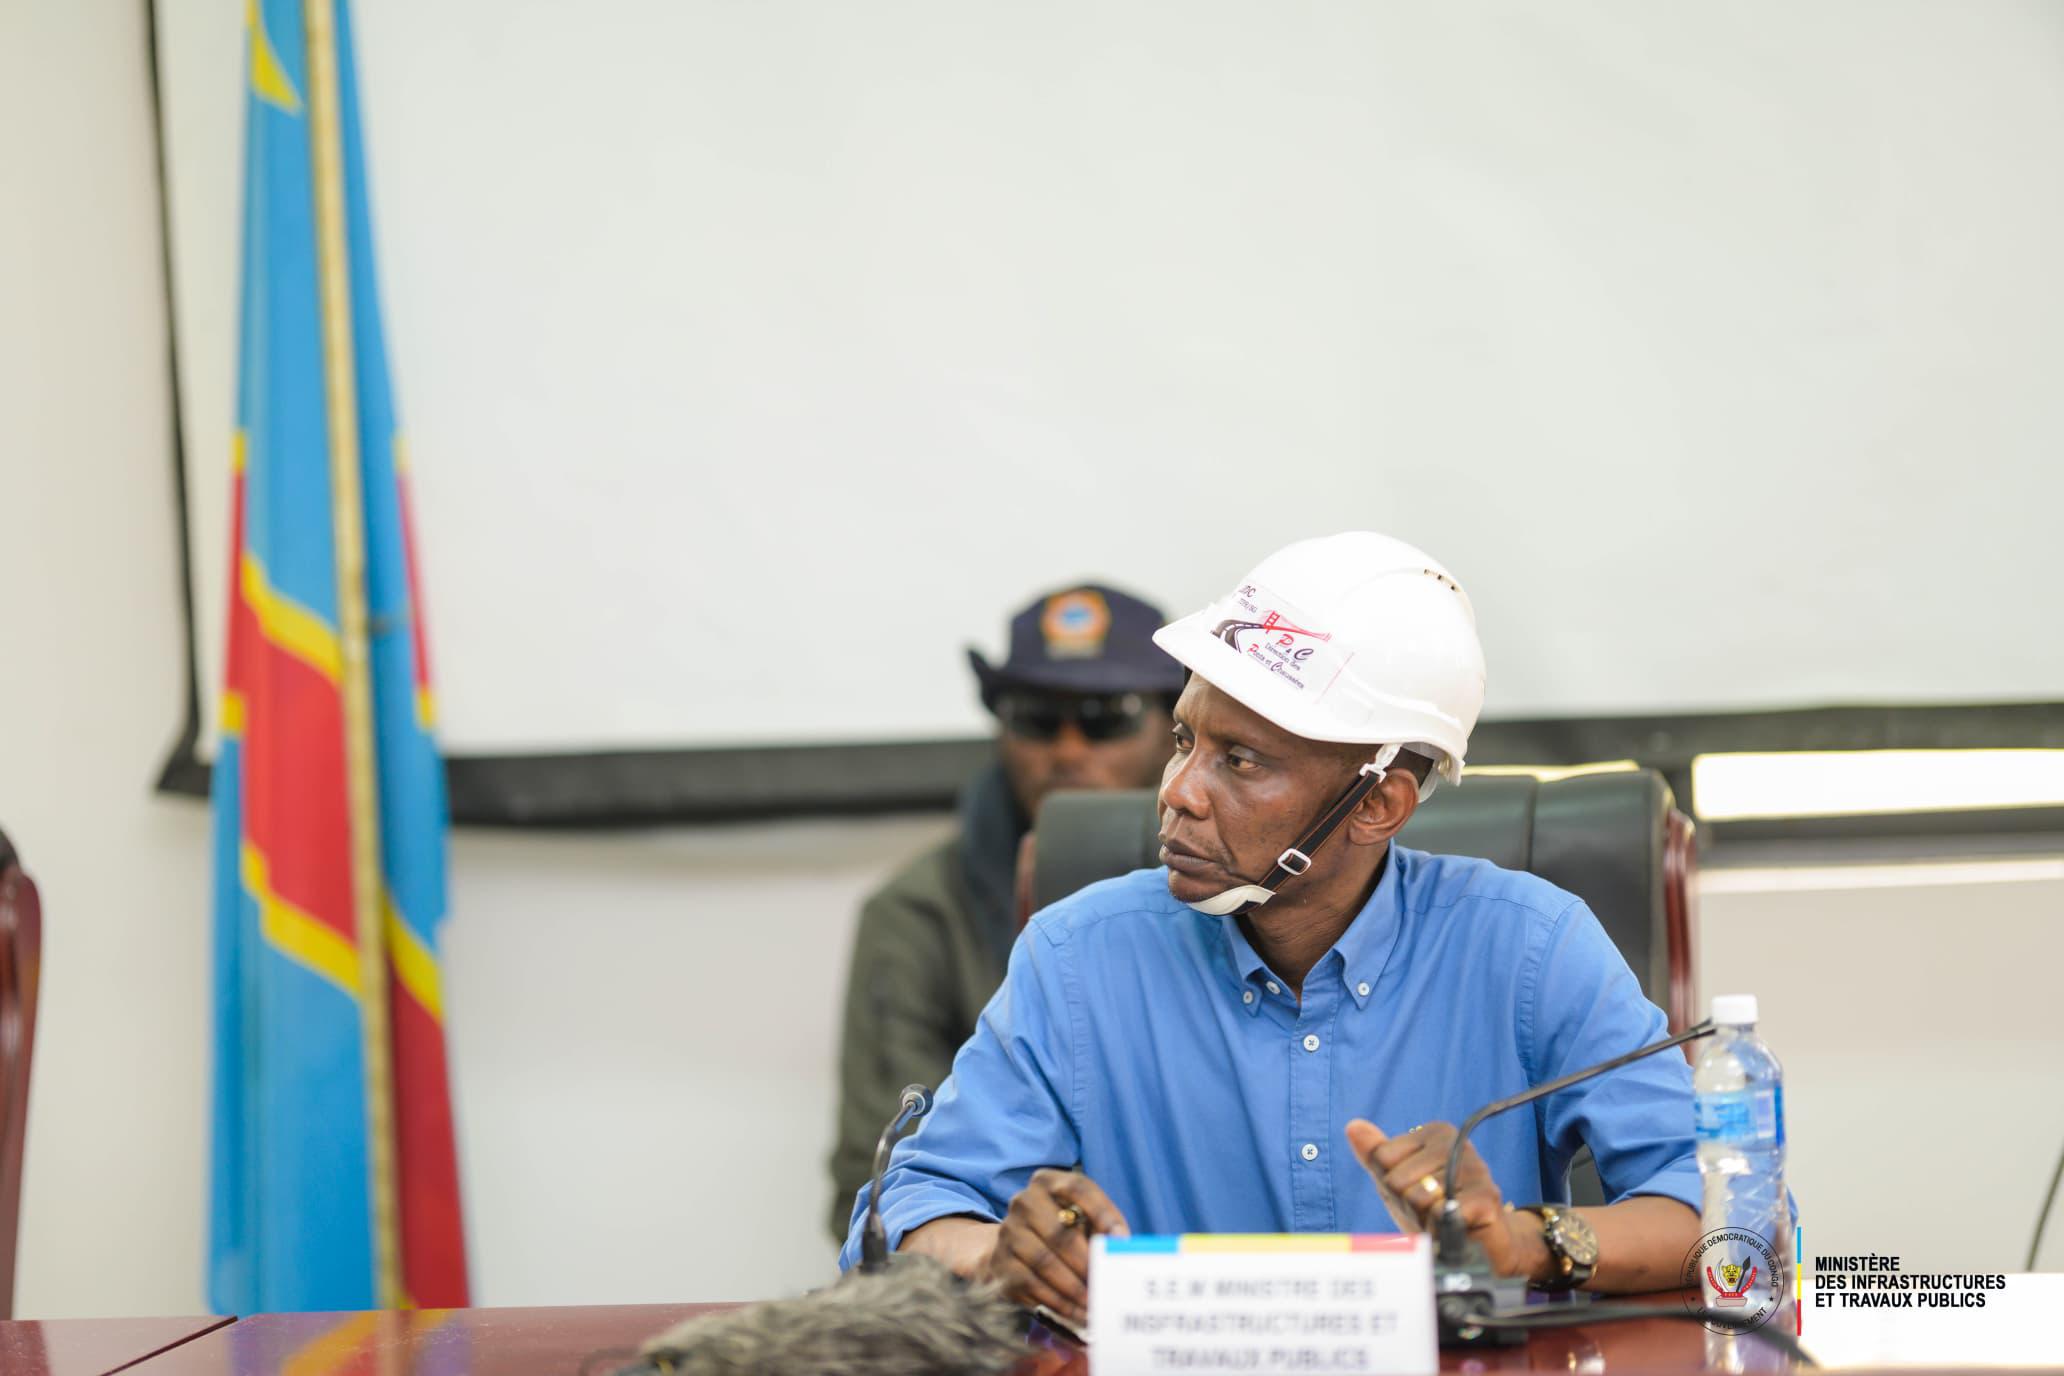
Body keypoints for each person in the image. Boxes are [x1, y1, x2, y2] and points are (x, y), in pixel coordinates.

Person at [837, 533, 1706, 1329]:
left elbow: (1718, 1212)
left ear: (1379, 804)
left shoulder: (1530, 947)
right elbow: (904, 1218)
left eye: (1240, 761)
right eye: (1183, 739)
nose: (1177, 791)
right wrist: (999, 1255)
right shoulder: (1077, 957)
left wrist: (1525, 1242)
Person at [827, 584, 1186, 1239]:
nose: (1068, 750)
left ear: (1176, 726)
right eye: (1035, 718)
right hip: (1010, 1271)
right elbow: (878, 1176)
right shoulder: (919, 911)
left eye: (1108, 718)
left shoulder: (1251, 893)